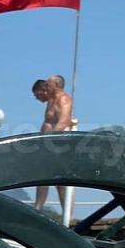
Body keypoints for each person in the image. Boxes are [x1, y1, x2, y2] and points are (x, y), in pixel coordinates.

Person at [33, 76, 75, 218]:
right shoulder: (51, 100)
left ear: (57, 85)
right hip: (47, 145)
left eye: (49, 85)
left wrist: (52, 140)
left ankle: (67, 215)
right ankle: (37, 210)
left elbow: (64, 121)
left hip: (59, 144)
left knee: (61, 183)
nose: (46, 88)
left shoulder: (64, 99)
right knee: (42, 176)